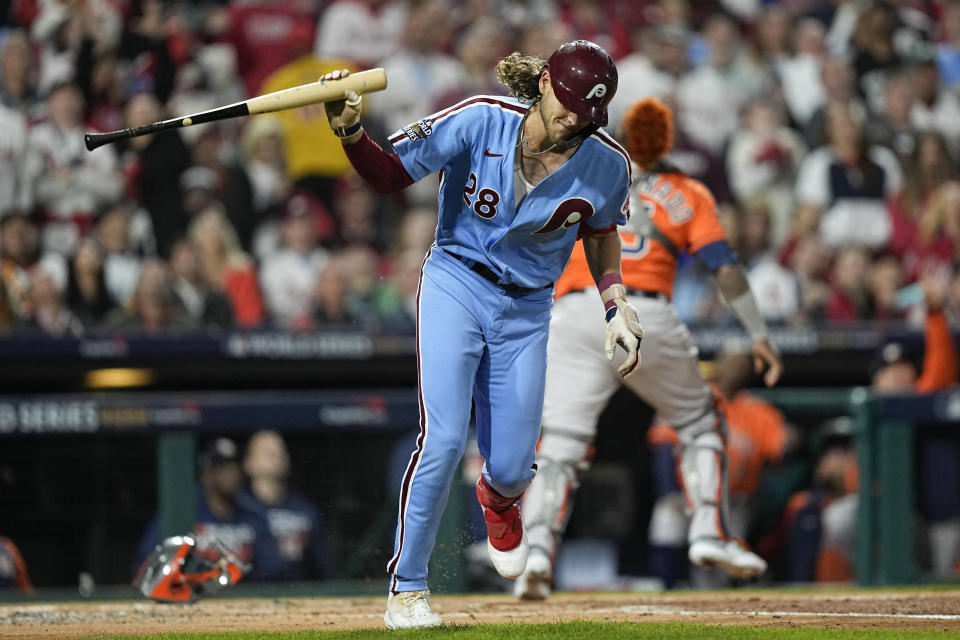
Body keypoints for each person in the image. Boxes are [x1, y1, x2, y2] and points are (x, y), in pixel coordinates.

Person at [323, 40, 642, 628]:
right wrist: (351, 136)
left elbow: (599, 231)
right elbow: (393, 173)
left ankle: (500, 504)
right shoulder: (479, 118)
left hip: (526, 310)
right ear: (544, 83)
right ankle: (408, 588)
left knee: (516, 466)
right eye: (568, 106)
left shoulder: (607, 161)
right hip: (456, 282)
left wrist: (614, 302)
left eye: (587, 115)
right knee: (442, 440)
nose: (574, 121)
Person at [514, 97, 782, 601]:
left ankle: (539, 554)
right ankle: (707, 532)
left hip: (576, 310)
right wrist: (759, 334)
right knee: (701, 423)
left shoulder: (580, 169)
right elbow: (723, 267)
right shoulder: (686, 190)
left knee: (562, 444)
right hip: (644, 312)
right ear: (665, 142)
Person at [135, 437, 285, 583]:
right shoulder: (185, 512)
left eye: (234, 466)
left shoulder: (253, 514)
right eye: (223, 468)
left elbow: (272, 571)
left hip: (243, 598)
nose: (231, 473)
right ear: (207, 474)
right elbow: (148, 563)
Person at [241, 430, 327, 581]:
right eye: (267, 452)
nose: (276, 456)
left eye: (281, 451)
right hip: (247, 594)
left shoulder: (304, 510)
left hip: (297, 592)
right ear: (249, 463)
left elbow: (320, 567)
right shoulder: (238, 509)